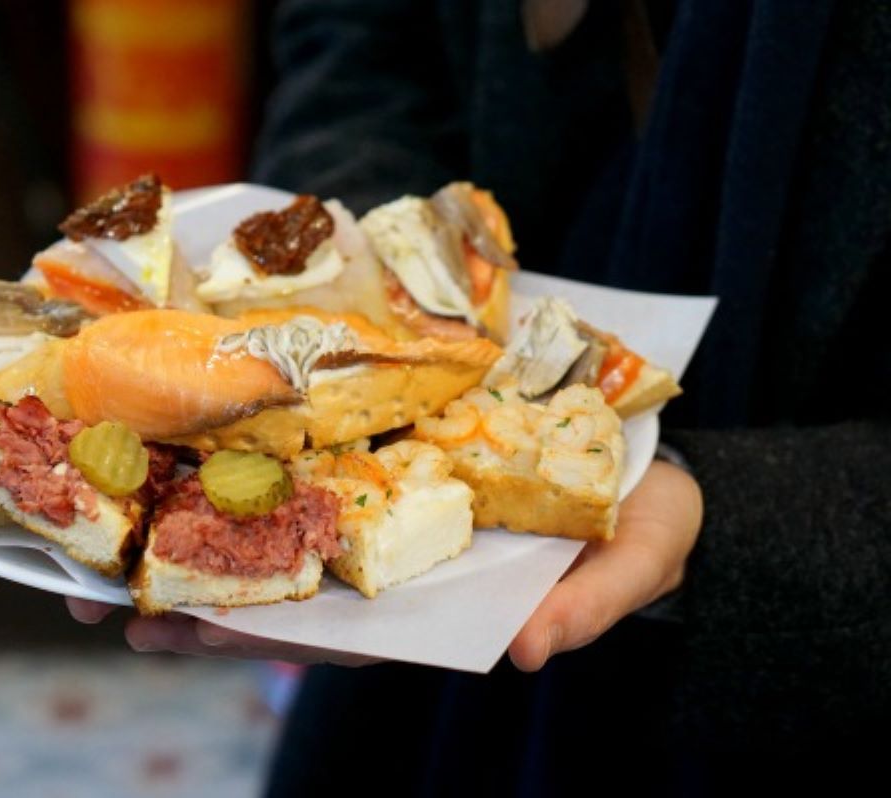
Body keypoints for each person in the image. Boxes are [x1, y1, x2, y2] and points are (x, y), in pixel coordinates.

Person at [66, 0, 890, 792]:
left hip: (814, 690)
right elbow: (363, 44)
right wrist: (353, 272)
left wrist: (754, 525)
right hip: (420, 661)